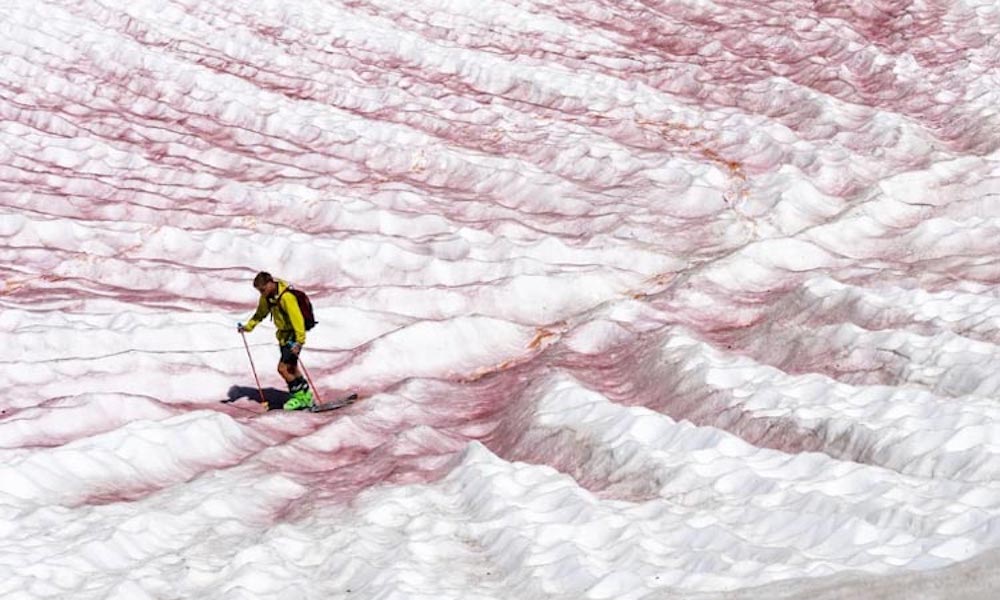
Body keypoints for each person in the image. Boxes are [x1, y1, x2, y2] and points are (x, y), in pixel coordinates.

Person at [238, 272, 314, 410]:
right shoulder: (266, 298)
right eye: (259, 291)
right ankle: (306, 395)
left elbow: (298, 320)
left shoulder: (286, 297)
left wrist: (299, 341)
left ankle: (299, 398)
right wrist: (248, 327)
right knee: (292, 367)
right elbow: (260, 314)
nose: (262, 293)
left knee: (283, 369)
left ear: (270, 283)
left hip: (293, 337)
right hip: (283, 337)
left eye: (263, 289)